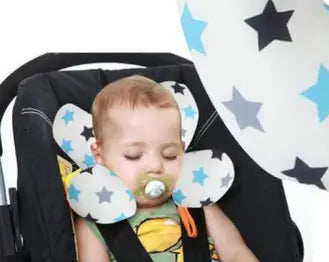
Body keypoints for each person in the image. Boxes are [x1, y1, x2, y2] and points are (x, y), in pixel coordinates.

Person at [72, 75, 259, 261]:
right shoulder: (94, 223)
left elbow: (235, 253)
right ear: (99, 156)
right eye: (134, 155)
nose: (155, 166)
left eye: (170, 155)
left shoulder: (198, 202)